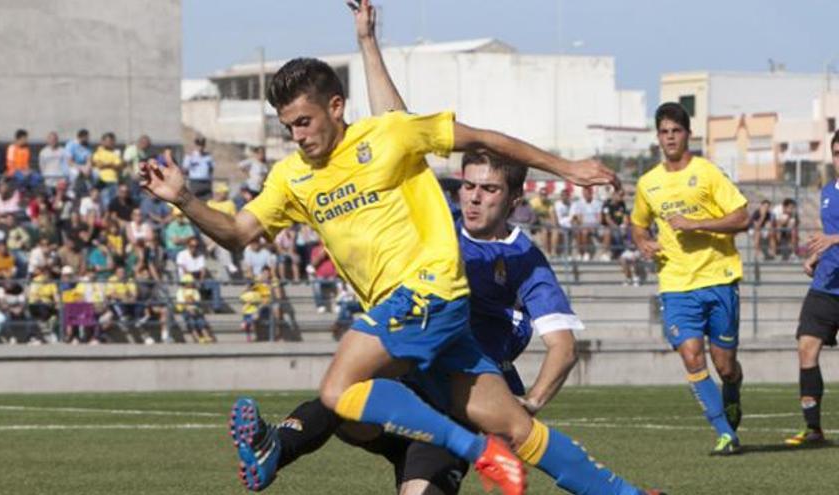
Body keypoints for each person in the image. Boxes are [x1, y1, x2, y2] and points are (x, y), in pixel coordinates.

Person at [140, 3, 654, 492]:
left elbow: (486, 140)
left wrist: (567, 168)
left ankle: (470, 450)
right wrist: (183, 197)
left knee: (339, 389)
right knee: (517, 427)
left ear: (336, 107)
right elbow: (236, 233)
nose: (297, 135)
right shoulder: (291, 177)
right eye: (288, 126)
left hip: (425, 292)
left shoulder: (388, 137)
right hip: (425, 322)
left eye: (304, 121)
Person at [631, 102, 748, 455]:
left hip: (718, 278)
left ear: (688, 135)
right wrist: (644, 243)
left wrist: (697, 223)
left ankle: (733, 388)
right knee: (692, 356)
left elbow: (742, 217)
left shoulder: (708, 173)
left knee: (724, 365)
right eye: (664, 132)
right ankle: (726, 434)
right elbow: (638, 224)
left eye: (676, 131)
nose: (670, 137)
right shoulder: (648, 183)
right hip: (676, 284)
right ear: (657, 137)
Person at [784, 130, 839, 446]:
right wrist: (816, 256)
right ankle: (813, 429)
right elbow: (832, 233)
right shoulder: (827, 192)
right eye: (836, 152)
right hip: (826, 284)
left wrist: (833, 239)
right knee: (806, 348)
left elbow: (836, 235)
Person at [175, 273, 215, 343]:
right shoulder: (180, 291)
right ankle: (197, 337)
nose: (192, 284)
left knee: (200, 321)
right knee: (191, 322)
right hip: (185, 309)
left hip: (195, 309)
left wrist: (193, 303)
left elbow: (197, 300)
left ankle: (206, 336)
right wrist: (188, 306)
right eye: (190, 282)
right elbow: (181, 302)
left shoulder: (195, 291)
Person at [570, 186, 602, 261]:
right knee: (579, 232)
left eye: (587, 193)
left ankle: (585, 252)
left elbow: (599, 219)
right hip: (584, 225)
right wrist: (583, 225)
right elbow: (579, 218)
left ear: (591, 193)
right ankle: (581, 253)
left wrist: (593, 226)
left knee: (584, 232)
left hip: (594, 225)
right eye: (584, 192)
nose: (586, 194)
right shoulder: (579, 203)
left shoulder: (597, 203)